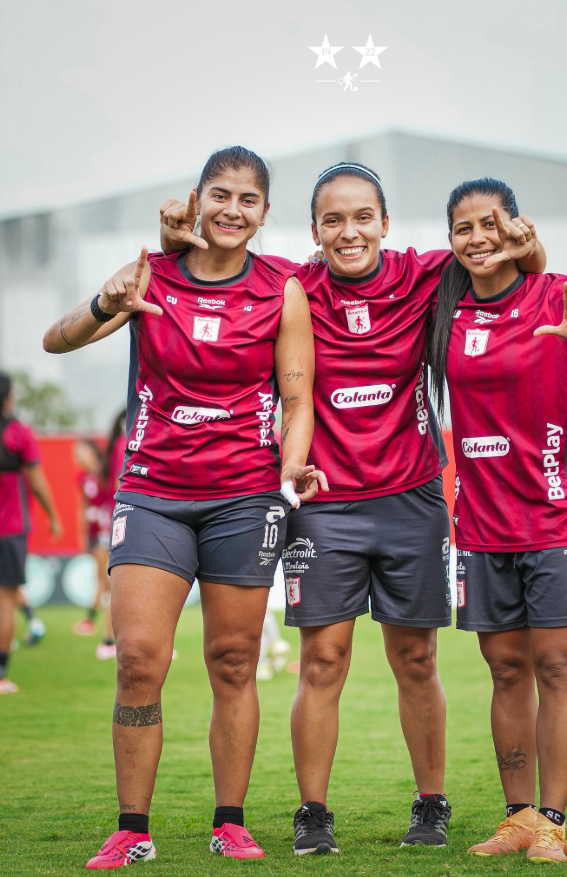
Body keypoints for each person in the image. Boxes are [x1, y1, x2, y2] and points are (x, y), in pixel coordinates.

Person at [159, 163, 547, 853]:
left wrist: (524, 240)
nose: (349, 231)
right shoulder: (290, 285)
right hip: (324, 503)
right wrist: (170, 244)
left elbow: (506, 268)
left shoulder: (427, 272)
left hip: (412, 498)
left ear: (385, 222)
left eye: (362, 216)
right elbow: (210, 268)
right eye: (332, 219)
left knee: (415, 658)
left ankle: (431, 802)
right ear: (312, 231)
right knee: (322, 659)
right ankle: (313, 811)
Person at [43, 146, 325, 867]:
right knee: (138, 659)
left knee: (233, 659)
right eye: (220, 195)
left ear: (264, 213)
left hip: (244, 496)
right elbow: (57, 340)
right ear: (197, 200)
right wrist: (109, 300)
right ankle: (131, 827)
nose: (232, 210)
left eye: (248, 200)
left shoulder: (282, 289)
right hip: (153, 493)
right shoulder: (151, 275)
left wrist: (293, 464)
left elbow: (297, 398)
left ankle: (228, 819)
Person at [428, 178, 567, 864]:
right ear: (451, 240)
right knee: (504, 671)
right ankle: (518, 816)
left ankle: (553, 820)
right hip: (480, 525)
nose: (477, 236)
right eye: (463, 226)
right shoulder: (444, 311)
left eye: (490, 222)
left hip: (558, 520)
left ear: (515, 227)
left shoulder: (554, 292)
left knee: (556, 667)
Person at [0, 372, 63, 693]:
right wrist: (54, 516)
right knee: (5, 601)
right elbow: (37, 482)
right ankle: (1, 676)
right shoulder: (18, 434)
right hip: (9, 529)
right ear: (9, 398)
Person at [72, 438, 117, 658]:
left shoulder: (107, 472)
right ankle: (106, 637)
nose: (76, 457)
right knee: (106, 583)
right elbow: (82, 508)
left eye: (79, 452)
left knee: (107, 583)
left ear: (92, 452)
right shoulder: (82, 478)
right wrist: (82, 536)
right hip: (96, 536)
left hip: (109, 532)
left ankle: (102, 633)